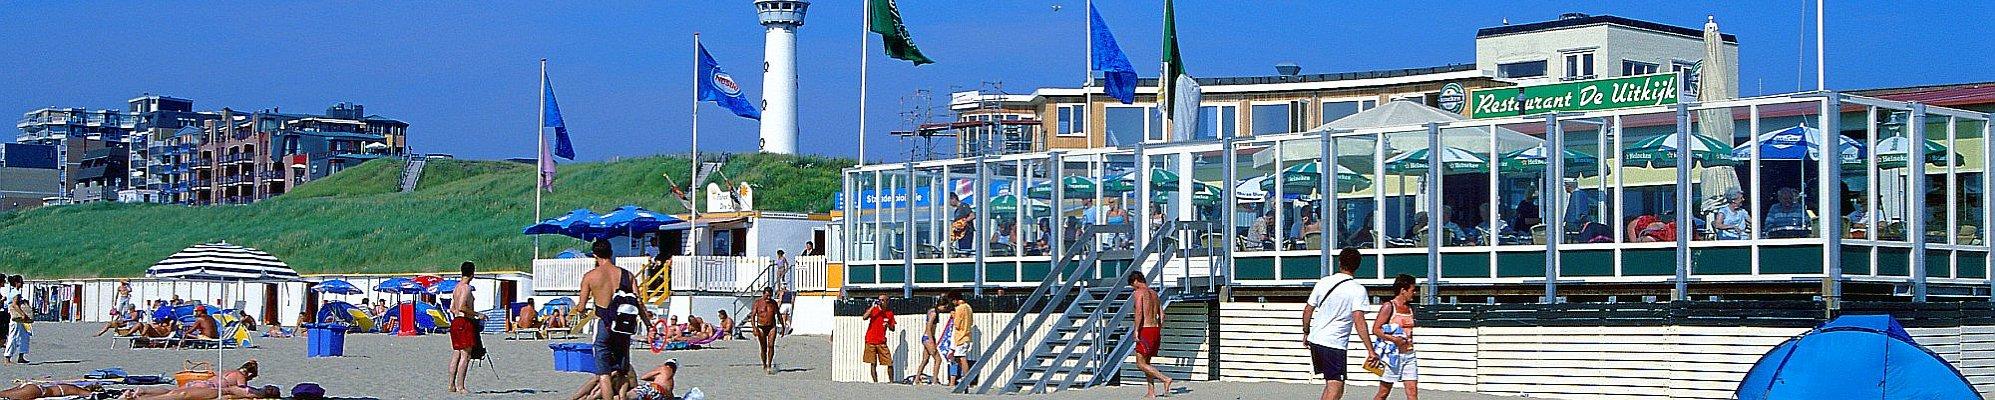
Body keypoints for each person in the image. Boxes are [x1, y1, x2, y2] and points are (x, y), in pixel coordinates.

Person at [573, 239, 655, 400]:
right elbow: (639, 304)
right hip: (624, 327)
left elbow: (581, 307)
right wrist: (649, 326)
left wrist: (583, 312)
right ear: (611, 253)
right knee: (622, 371)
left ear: (595, 256)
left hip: (604, 325)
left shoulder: (590, 276)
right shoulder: (628, 275)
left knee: (603, 373)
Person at [1302, 248, 1376, 400]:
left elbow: (1308, 310)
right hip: (1334, 343)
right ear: (1357, 266)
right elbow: (1359, 321)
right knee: (1335, 388)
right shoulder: (1357, 289)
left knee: (1333, 386)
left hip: (1316, 340)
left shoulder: (1323, 282)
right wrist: (1370, 349)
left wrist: (1306, 332)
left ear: (1340, 262)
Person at [1371, 274, 1419, 400]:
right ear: (1403, 290)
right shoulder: (1389, 306)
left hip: (1409, 355)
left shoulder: (1410, 308)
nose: (1414, 293)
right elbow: (1376, 329)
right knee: (1384, 392)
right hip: (1393, 356)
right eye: (1412, 290)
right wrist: (1394, 339)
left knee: (1412, 393)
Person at [1129, 272, 1172, 398]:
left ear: (1136, 281)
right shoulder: (1154, 293)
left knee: (1140, 363)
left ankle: (1165, 379)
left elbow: (1139, 312)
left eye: (1132, 284)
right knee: (1147, 362)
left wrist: (1136, 330)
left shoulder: (1138, 293)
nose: (1133, 287)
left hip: (1145, 330)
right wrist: (1158, 329)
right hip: (1155, 329)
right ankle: (1151, 392)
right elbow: (1162, 316)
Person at [447, 261, 480, 394]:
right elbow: (461, 307)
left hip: (456, 322)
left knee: (456, 354)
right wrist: (478, 314)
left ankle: (451, 385)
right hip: (464, 322)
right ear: (472, 273)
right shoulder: (466, 288)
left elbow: (452, 308)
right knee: (465, 355)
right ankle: (460, 386)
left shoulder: (456, 288)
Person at [862, 294, 897, 383]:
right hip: (871, 340)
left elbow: (893, 328)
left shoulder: (889, 313)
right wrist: (872, 307)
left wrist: (888, 325)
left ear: (886, 302)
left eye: (882, 300)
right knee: (873, 362)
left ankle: (891, 381)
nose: (880, 302)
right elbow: (864, 317)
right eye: (879, 300)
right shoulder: (874, 310)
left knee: (889, 362)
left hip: (881, 341)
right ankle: (875, 382)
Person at [915, 299, 944, 385]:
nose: (945, 309)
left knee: (925, 360)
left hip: (927, 337)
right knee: (938, 359)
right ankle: (934, 381)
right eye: (944, 307)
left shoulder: (931, 310)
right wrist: (932, 341)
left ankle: (916, 379)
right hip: (929, 338)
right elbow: (928, 327)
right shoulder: (934, 313)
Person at [752, 286, 780, 374]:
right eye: (767, 296)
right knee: (763, 347)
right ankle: (764, 364)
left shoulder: (773, 303)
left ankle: (769, 365)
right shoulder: (757, 303)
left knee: (771, 345)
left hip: (771, 326)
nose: (768, 298)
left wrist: (782, 327)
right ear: (763, 294)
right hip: (761, 326)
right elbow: (753, 316)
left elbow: (778, 315)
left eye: (770, 296)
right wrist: (754, 328)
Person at [948, 292, 973, 386]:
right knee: (958, 358)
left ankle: (967, 379)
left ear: (955, 299)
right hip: (967, 335)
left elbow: (957, 324)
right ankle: (965, 377)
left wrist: (953, 316)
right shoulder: (968, 307)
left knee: (962, 358)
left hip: (960, 336)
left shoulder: (959, 308)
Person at [3, 275, 25, 364]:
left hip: (12, 316)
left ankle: (17, 356)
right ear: (17, 283)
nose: (22, 284)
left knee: (17, 336)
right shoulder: (16, 292)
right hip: (15, 317)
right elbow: (14, 305)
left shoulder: (12, 291)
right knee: (13, 336)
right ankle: (7, 357)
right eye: (21, 282)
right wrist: (22, 314)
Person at [0, 381, 104, 399]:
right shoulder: (78, 390)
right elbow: (90, 395)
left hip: (34, 387)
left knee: (3, 394)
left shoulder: (72, 387)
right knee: (7, 396)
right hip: (39, 391)